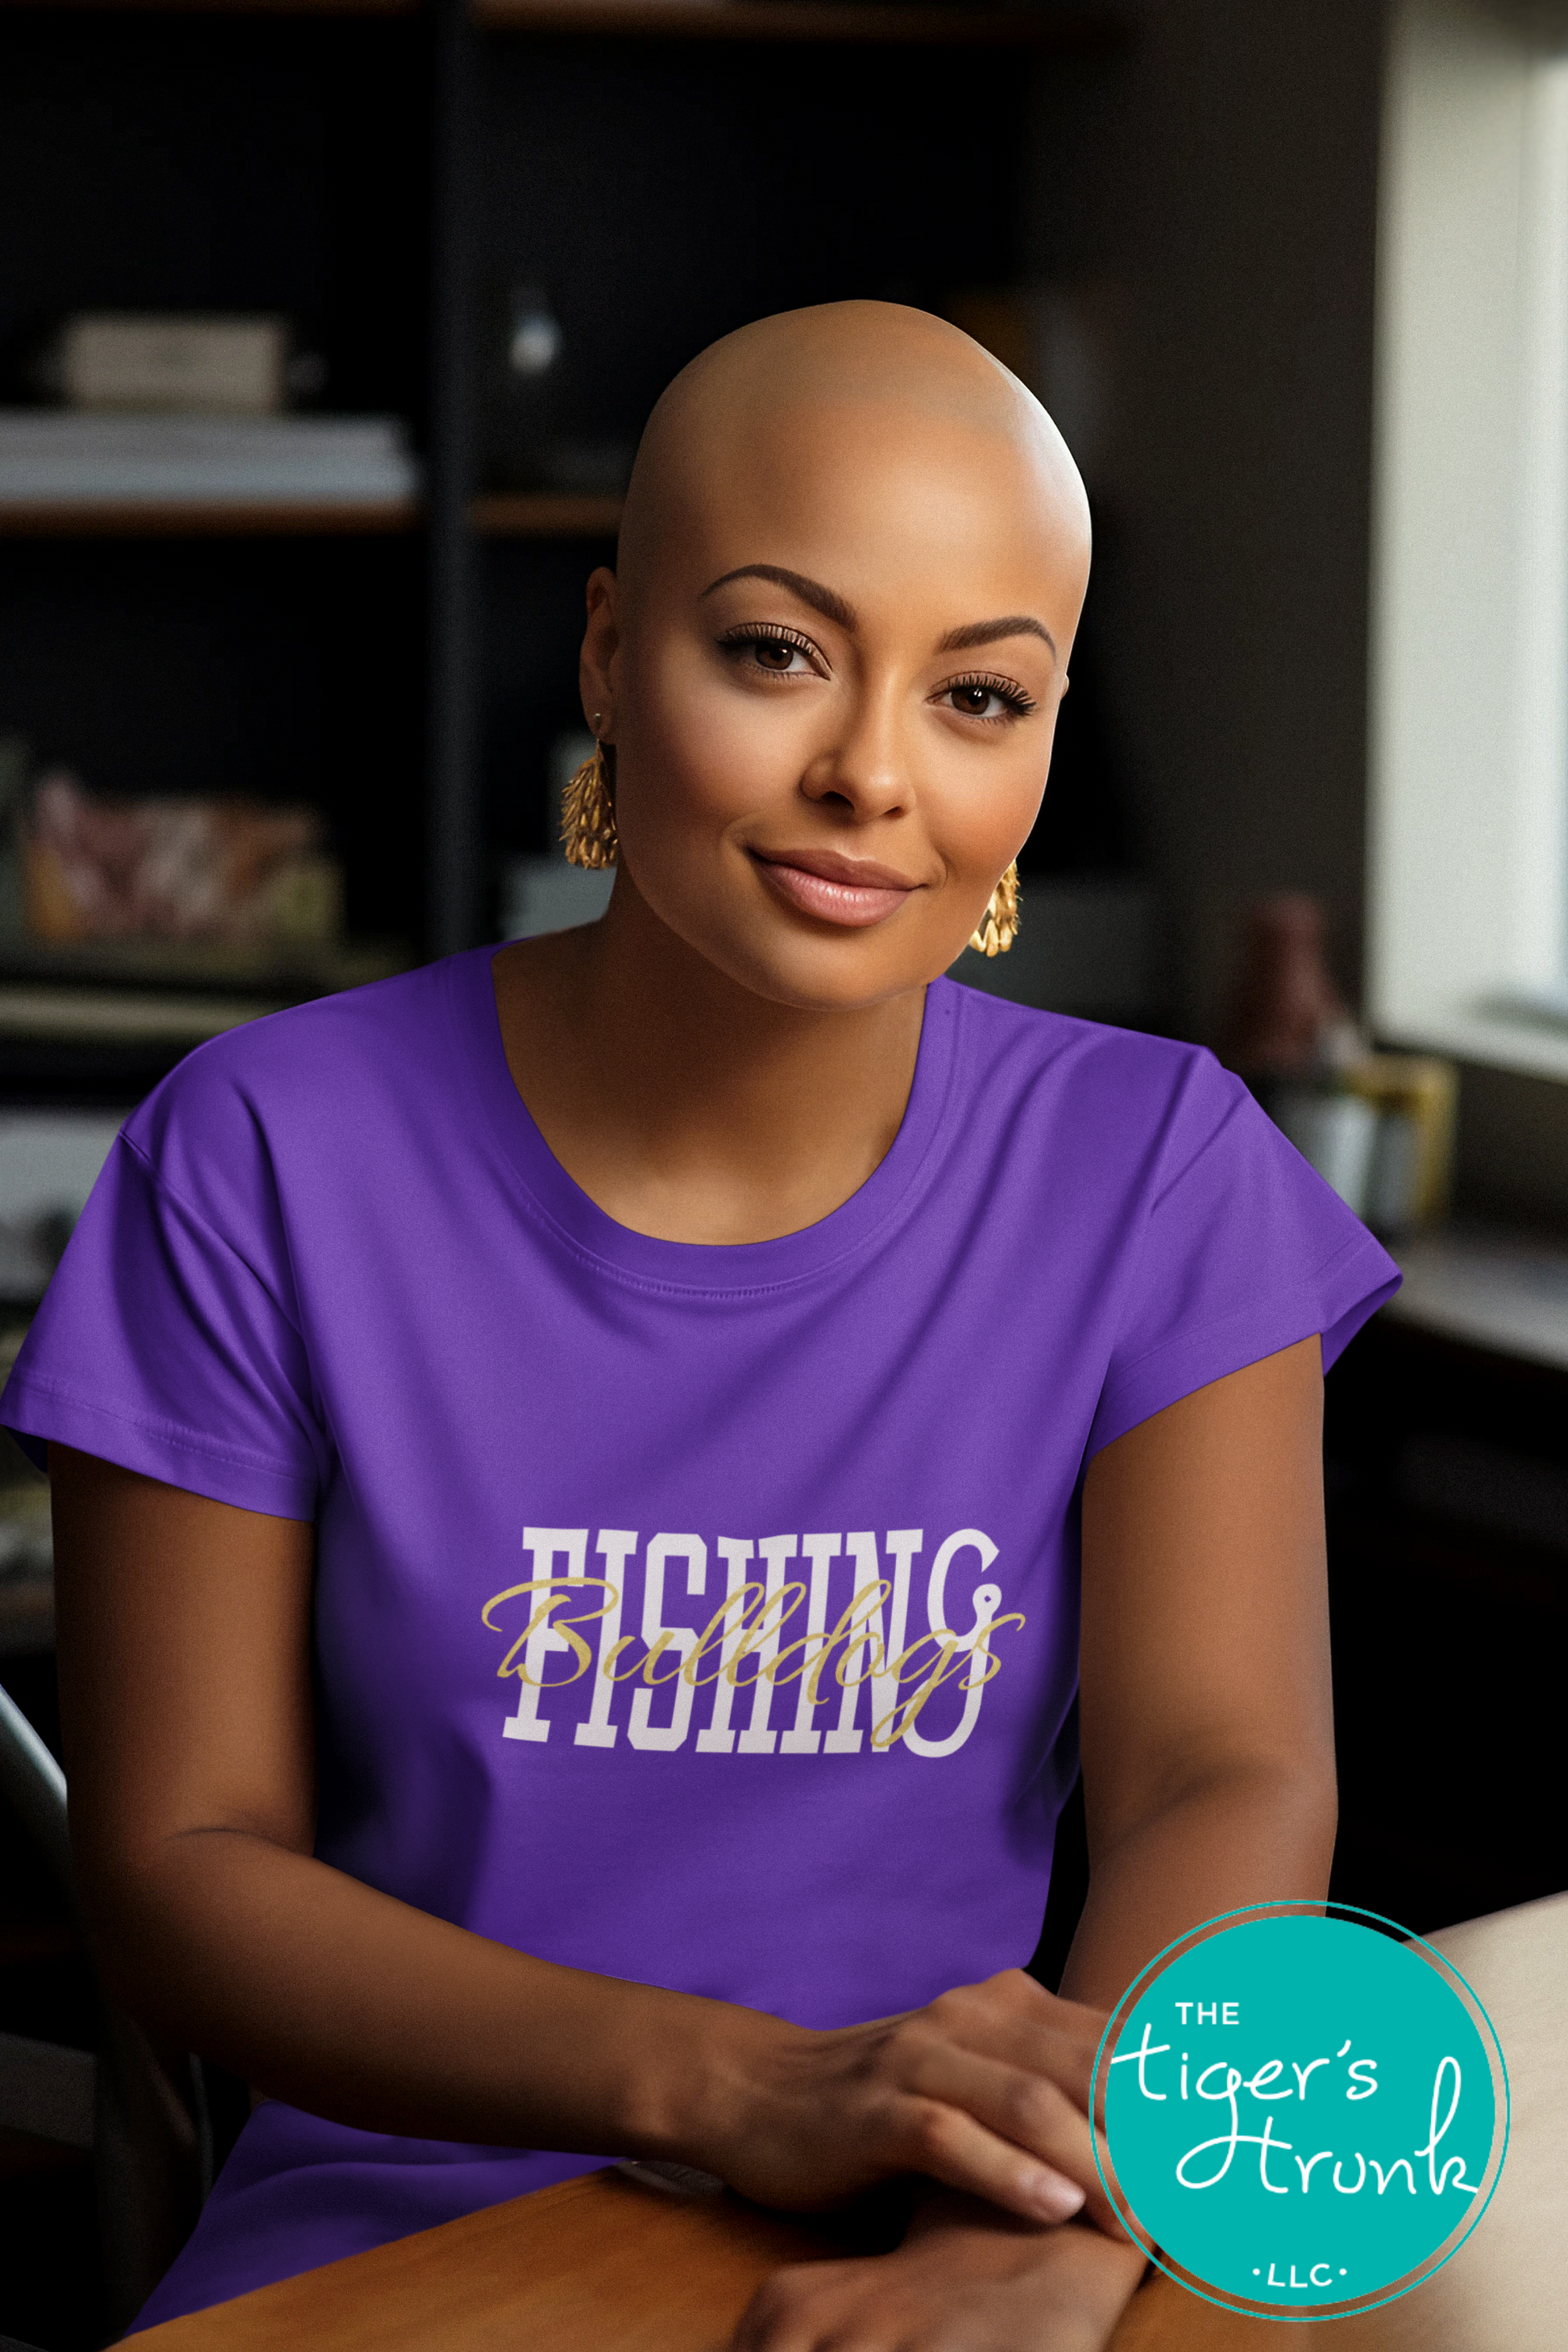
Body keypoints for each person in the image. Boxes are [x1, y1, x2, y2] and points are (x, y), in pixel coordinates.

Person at [3, 301, 1396, 2351]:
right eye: (775, 652)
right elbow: (180, 1865)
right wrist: (743, 2087)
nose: (871, 775)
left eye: (979, 696)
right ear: (604, 655)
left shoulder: (1161, 1171)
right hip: (402, 2244)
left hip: (973, 2215)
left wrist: (1051, 2227)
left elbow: (1223, 1773)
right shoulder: (265, 1154)